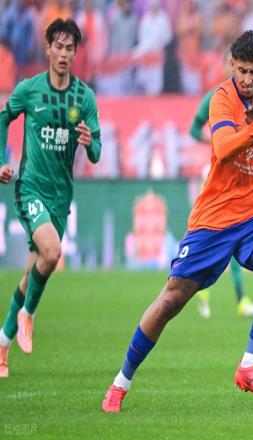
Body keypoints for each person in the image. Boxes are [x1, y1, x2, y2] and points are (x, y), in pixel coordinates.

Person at [101, 30, 253, 413]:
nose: (248, 79)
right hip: (214, 219)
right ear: (232, 65)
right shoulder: (221, 99)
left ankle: (249, 365)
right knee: (170, 301)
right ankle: (120, 383)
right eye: (242, 71)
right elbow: (223, 149)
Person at [0, 18, 101, 378]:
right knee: (53, 252)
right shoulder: (29, 90)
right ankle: (28, 315)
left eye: (69, 48)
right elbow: (3, 117)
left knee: (32, 271)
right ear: (48, 49)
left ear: (75, 53)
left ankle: (2, 345)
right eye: (58, 46)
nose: (63, 54)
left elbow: (97, 152)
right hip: (30, 187)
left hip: (61, 197)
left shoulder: (84, 98)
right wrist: (1, 160)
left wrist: (89, 144)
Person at [190, 79, 253, 319]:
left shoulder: (252, 98)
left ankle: (239, 298)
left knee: (233, 236)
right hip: (215, 171)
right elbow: (193, 130)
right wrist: (217, 142)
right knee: (214, 233)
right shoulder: (215, 97)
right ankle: (203, 288)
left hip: (239, 173)